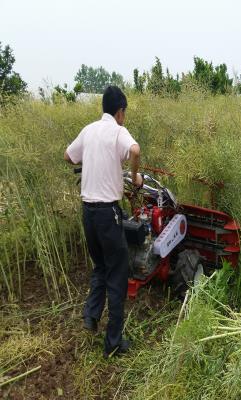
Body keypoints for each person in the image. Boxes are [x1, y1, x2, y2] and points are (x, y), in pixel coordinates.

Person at [64, 86, 143, 357]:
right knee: (118, 274)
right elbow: (135, 150)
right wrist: (134, 177)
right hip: (109, 214)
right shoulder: (118, 132)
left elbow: (68, 156)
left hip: (88, 212)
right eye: (125, 112)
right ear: (120, 112)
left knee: (99, 265)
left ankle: (91, 316)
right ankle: (113, 344)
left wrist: (92, 162)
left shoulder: (89, 130)